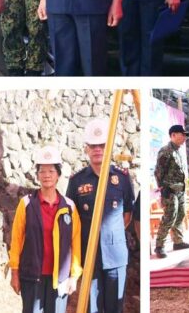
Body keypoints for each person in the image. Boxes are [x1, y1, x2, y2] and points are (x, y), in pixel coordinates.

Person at [65, 118, 134, 313]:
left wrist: (110, 234)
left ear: (109, 147)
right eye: (93, 146)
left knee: (115, 308)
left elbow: (127, 215)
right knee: (91, 307)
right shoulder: (77, 181)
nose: (97, 150)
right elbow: (72, 218)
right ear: (86, 149)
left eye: (102, 145)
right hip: (89, 255)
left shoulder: (122, 178)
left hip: (115, 254)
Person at [9, 146, 82, 313]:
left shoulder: (69, 207)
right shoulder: (26, 204)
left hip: (60, 279)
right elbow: (16, 240)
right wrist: (14, 272)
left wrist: (74, 275)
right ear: (37, 175)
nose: (46, 175)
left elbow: (75, 243)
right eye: (42, 171)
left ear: (58, 175)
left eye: (51, 171)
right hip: (31, 276)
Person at [153, 124, 189, 258]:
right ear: (173, 135)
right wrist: (162, 189)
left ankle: (178, 241)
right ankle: (159, 246)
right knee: (169, 217)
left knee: (180, 214)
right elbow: (158, 172)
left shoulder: (178, 151)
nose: (184, 138)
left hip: (180, 189)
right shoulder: (166, 151)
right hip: (169, 190)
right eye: (182, 135)